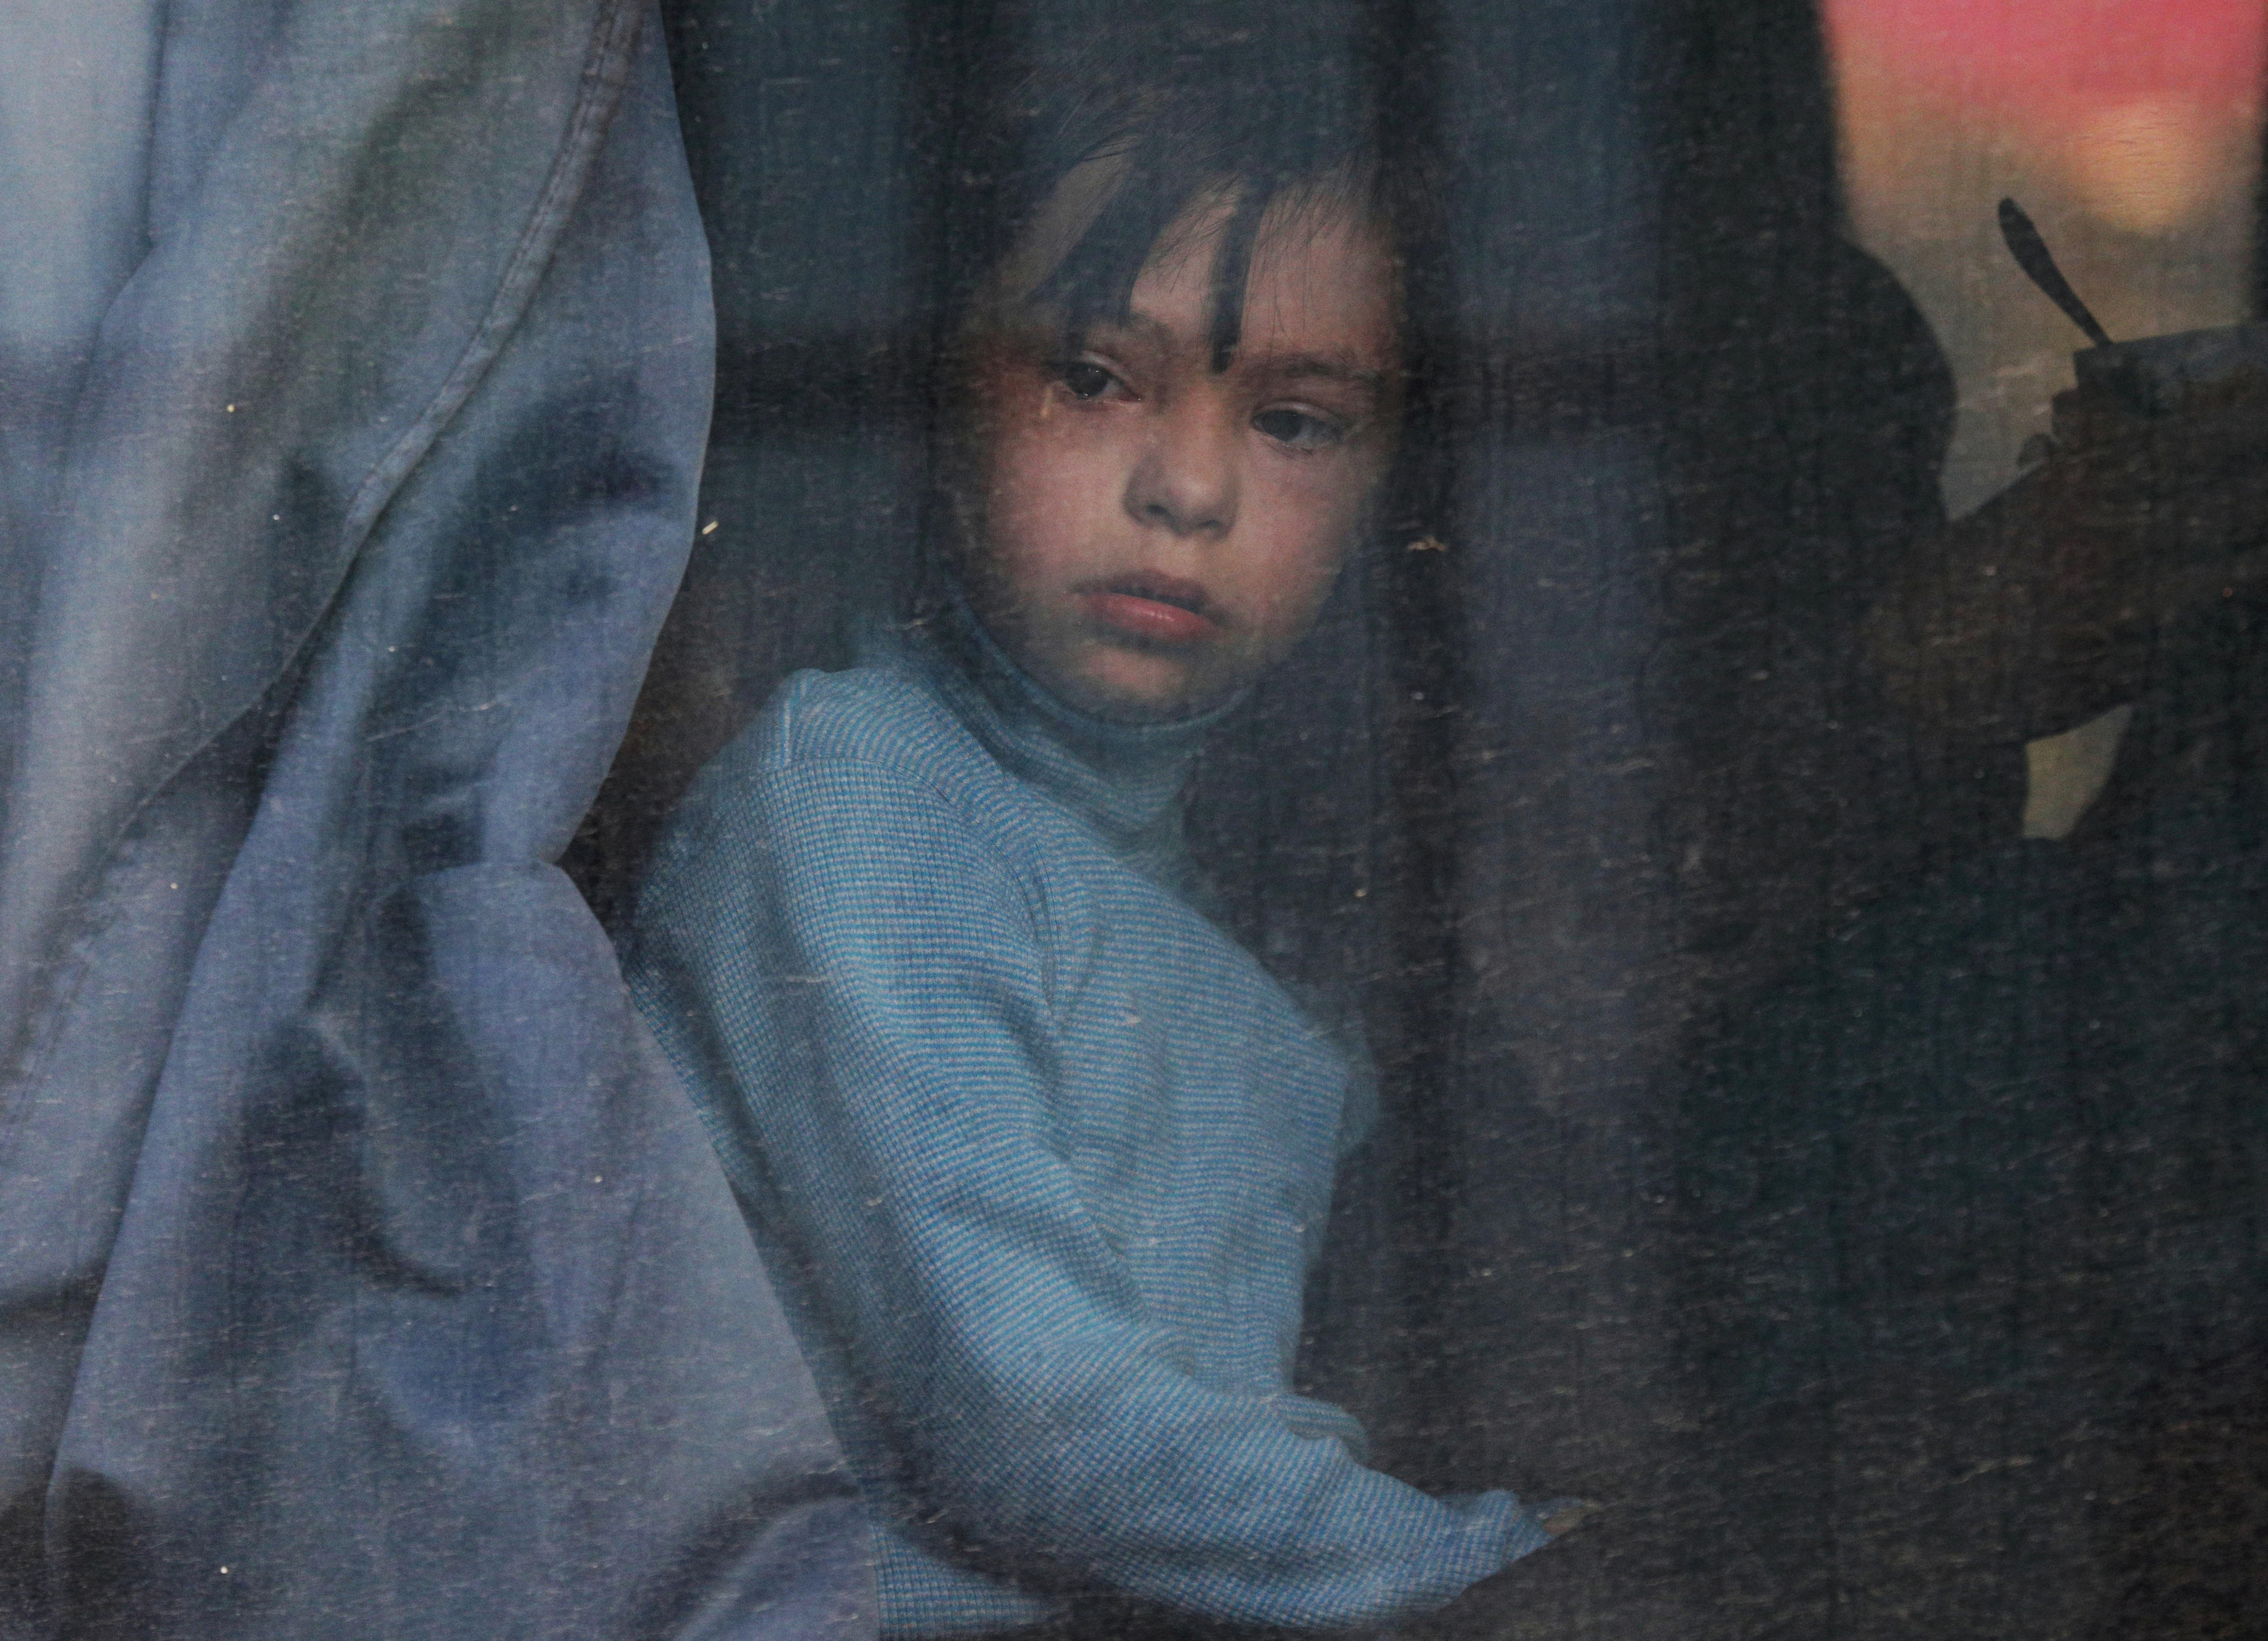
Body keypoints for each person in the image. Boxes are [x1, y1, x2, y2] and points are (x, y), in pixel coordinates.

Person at [625, 30, 1577, 1640]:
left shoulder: (1254, 910)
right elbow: (1028, 1412)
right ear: (941, 395)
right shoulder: (858, 795)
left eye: (1294, 421)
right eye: (1092, 377)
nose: (1185, 487)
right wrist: (1478, 1565)